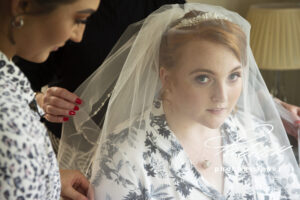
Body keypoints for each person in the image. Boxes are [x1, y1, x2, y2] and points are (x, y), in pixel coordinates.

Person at [61, 3, 300, 199]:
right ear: (167, 78)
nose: (223, 96)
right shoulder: (124, 154)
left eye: (233, 76)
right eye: (203, 78)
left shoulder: (261, 136)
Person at [0, 0, 99, 199]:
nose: (77, 36)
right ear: (22, 5)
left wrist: (47, 177)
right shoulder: (13, 128)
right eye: (78, 19)